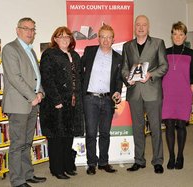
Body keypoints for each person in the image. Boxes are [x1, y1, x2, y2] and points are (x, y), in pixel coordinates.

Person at [2, 17, 46, 187]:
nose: (30, 32)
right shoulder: (10, 49)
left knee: (27, 142)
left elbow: (36, 76)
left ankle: (27, 174)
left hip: (32, 103)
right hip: (19, 104)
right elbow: (15, 77)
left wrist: (40, 92)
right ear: (17, 30)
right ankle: (17, 180)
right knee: (17, 144)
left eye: (33, 29)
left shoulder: (31, 51)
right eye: (26, 28)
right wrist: (32, 96)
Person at [122, 15, 168, 174]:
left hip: (152, 91)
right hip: (134, 92)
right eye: (138, 25)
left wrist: (151, 74)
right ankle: (139, 160)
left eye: (144, 25)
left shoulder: (158, 43)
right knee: (137, 128)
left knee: (155, 128)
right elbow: (124, 68)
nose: (141, 27)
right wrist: (128, 78)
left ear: (148, 27)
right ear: (135, 27)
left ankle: (157, 161)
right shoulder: (127, 46)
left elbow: (164, 66)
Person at [39, 27, 84, 179]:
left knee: (68, 136)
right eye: (61, 36)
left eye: (67, 36)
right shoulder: (49, 54)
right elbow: (47, 79)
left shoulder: (75, 55)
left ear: (71, 39)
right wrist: (56, 100)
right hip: (55, 104)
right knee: (57, 138)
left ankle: (67, 166)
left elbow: (79, 79)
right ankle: (57, 169)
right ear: (55, 39)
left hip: (72, 103)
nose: (65, 39)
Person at [81, 24, 123, 175]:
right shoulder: (89, 51)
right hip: (90, 99)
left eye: (109, 37)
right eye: (102, 36)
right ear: (98, 38)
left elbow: (118, 80)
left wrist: (118, 91)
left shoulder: (118, 57)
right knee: (91, 133)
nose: (105, 40)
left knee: (105, 133)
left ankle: (103, 162)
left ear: (113, 39)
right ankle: (91, 163)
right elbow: (80, 71)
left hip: (107, 100)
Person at [161, 21, 193, 170]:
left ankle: (180, 155)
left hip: (184, 93)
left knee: (181, 125)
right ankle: (171, 156)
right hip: (167, 93)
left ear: (184, 36)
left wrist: (190, 93)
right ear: (171, 35)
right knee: (169, 125)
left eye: (181, 34)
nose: (178, 36)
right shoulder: (165, 51)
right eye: (175, 33)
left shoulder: (191, 53)